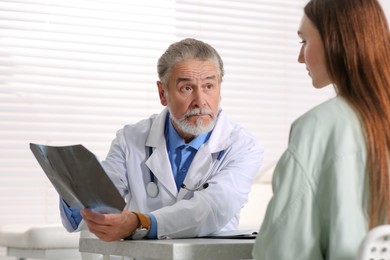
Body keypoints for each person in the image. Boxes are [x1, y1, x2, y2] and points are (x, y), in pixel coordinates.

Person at [60, 38, 264, 242]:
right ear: (162, 93)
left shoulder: (243, 147)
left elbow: (214, 207)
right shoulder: (130, 139)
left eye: (209, 86)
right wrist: (76, 186)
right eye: (187, 88)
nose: (200, 101)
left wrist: (139, 223)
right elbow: (100, 204)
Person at [252, 0, 390, 259]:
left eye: (304, 41)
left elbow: (283, 251)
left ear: (337, 42)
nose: (299, 57)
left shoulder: (319, 128)